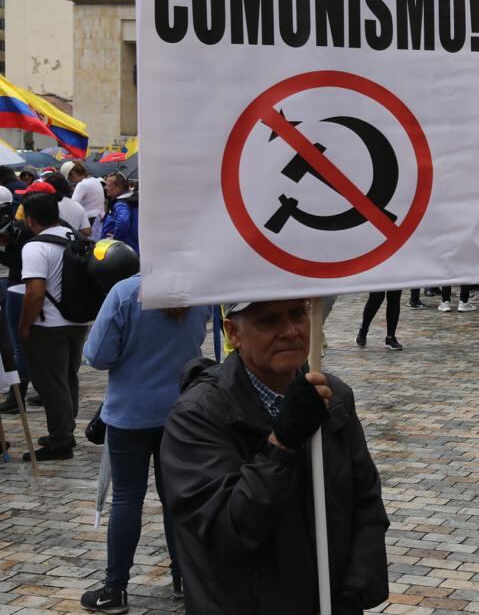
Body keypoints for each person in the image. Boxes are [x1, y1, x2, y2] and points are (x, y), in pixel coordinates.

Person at [160, 299, 389, 614]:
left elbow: (366, 501)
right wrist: (282, 443)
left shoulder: (335, 397)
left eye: (297, 314)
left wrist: (353, 590)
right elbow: (228, 529)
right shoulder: (196, 416)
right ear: (233, 333)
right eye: (268, 321)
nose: (290, 331)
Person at [79, 275, 212, 612]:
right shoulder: (196, 291)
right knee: (177, 499)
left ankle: (115, 589)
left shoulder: (125, 293)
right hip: (181, 411)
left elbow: (96, 355)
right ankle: (185, 577)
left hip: (130, 411)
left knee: (126, 498)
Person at [17, 191, 91, 461]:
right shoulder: (75, 237)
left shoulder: (35, 247)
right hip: (78, 320)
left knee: (51, 384)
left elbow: (34, 292)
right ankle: (64, 430)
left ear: (29, 219)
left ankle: (61, 441)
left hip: (49, 325)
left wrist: (25, 325)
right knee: (68, 377)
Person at [101, 173, 139, 255]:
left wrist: (115, 238)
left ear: (119, 188)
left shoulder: (121, 204)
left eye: (109, 185)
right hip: (131, 248)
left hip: (121, 251)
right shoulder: (131, 199)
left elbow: (123, 221)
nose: (105, 188)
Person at [66, 161, 106, 238]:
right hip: (100, 218)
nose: (70, 181)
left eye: (69, 178)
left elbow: (73, 204)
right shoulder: (95, 180)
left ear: (74, 174)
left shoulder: (82, 184)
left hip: (89, 220)